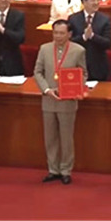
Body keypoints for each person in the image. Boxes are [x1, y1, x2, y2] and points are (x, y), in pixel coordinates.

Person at [34, 20, 86, 185]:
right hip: (48, 99)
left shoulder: (78, 50)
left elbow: (83, 74)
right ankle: (53, 169)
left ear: (69, 34)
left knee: (66, 138)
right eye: (55, 33)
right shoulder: (44, 49)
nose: (58, 36)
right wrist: (46, 89)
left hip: (67, 101)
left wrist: (76, 88)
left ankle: (65, 170)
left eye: (61, 33)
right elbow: (38, 72)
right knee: (50, 138)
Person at [68, 0, 111, 81]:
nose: (96, 3)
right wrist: (84, 37)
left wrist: (92, 36)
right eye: (93, 0)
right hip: (78, 65)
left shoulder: (104, 20)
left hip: (98, 67)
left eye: (97, 0)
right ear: (84, 2)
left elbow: (108, 43)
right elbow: (69, 42)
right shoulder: (73, 19)